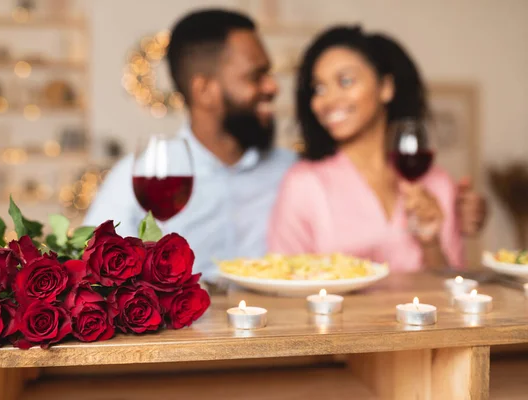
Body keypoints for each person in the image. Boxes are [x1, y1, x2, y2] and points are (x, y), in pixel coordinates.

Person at [84, 10, 486, 282]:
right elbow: (86, 269)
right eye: (256, 77)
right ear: (205, 90)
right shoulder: (141, 179)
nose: (274, 87)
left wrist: (458, 214)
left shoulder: (292, 170)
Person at [268, 26, 472, 271]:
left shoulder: (438, 184)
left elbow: (455, 293)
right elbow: (282, 287)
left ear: (386, 87)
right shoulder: (303, 184)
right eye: (319, 89)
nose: (328, 100)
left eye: (345, 81)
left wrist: (430, 244)